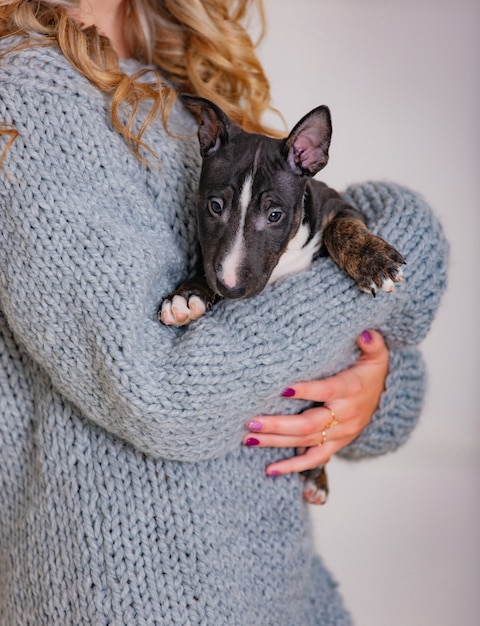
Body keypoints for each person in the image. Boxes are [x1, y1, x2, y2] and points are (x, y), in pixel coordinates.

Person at [0, 1, 448, 624]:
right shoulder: (20, 90)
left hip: (286, 596)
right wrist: (408, 242)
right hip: (127, 602)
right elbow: (163, 391)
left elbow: (391, 379)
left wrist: (371, 390)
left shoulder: (189, 71)